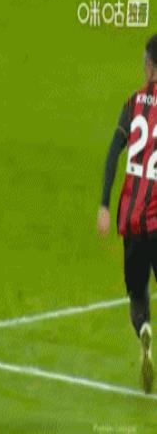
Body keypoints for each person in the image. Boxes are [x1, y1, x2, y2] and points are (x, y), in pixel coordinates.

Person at [97, 35, 157, 394]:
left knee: (137, 295)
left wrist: (104, 204)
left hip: (131, 219)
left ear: (149, 66)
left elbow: (112, 153)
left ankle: (144, 330)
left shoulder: (133, 103)